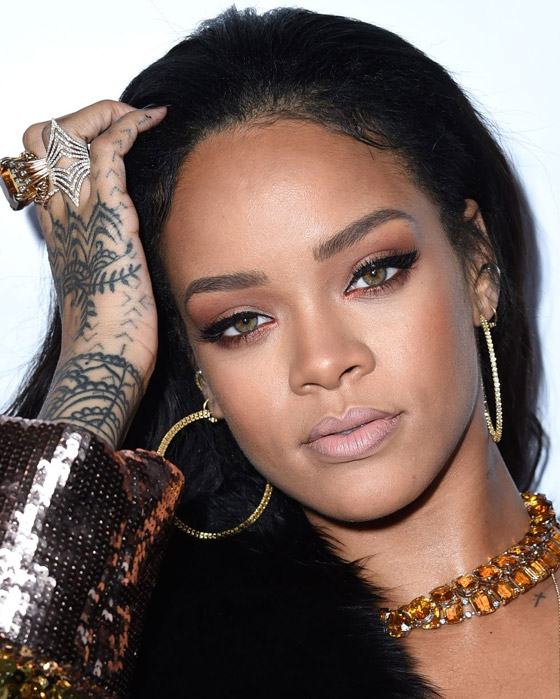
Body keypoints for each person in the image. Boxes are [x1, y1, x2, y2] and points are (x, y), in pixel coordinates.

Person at [0, 6, 557, 698]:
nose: (322, 362)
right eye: (241, 322)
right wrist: (97, 357)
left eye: (373, 272)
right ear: (201, 373)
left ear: (477, 268)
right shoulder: (152, 670)